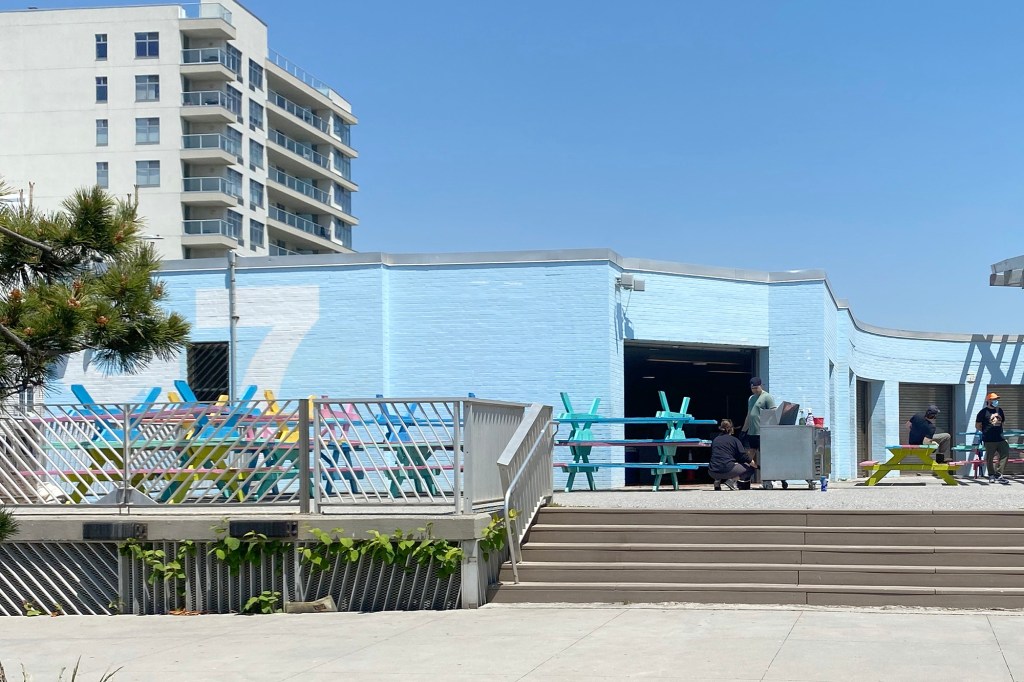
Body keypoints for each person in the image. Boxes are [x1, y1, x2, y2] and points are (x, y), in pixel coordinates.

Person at [709, 419, 757, 490]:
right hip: (726, 470)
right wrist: (756, 466)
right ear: (731, 429)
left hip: (712, 471)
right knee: (750, 469)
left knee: (719, 460)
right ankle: (732, 481)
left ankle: (717, 482)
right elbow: (743, 457)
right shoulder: (734, 440)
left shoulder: (716, 439)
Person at [741, 377, 776, 476]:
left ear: (761, 386)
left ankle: (771, 477)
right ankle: (743, 478)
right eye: (753, 388)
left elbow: (774, 413)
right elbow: (749, 415)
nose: (755, 390)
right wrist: (744, 430)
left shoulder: (767, 397)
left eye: (757, 388)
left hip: (763, 433)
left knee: (766, 456)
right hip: (752, 432)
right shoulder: (751, 398)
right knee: (748, 457)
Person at [976, 392, 1009, 483]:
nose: (996, 401)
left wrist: (1002, 435)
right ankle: (991, 475)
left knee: (1005, 454)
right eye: (994, 399)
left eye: (996, 399)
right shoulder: (983, 412)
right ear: (989, 400)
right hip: (989, 439)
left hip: (1000, 438)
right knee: (990, 457)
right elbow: (978, 425)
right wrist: (985, 432)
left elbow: (1002, 423)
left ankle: (999, 474)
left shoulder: (1000, 410)